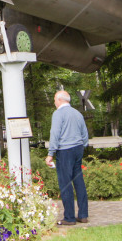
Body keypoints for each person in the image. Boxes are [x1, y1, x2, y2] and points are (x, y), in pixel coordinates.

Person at [45, 90, 89, 226]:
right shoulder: (77, 113)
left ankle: (69, 217)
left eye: (54, 99)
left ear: (59, 100)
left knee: (65, 184)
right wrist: (82, 146)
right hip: (78, 149)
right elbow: (85, 134)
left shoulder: (58, 114)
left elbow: (55, 133)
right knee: (79, 182)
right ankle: (83, 215)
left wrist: (50, 153)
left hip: (64, 151)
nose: (54, 102)